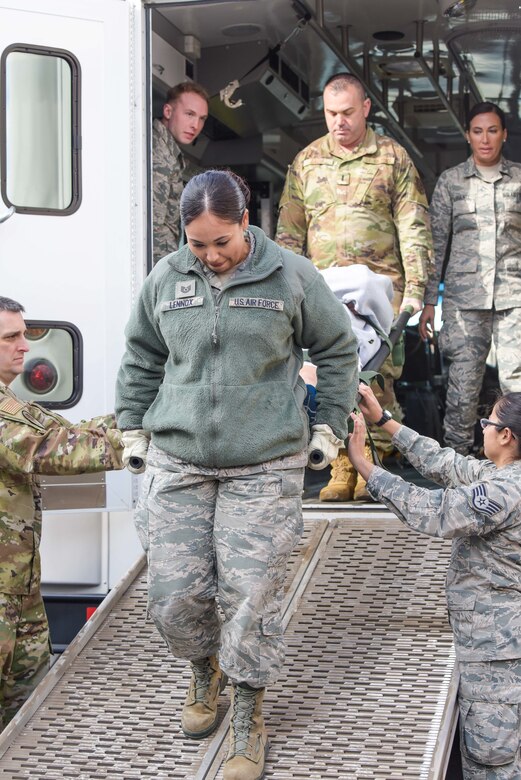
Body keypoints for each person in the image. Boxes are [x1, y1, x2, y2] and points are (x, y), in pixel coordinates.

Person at [115, 170, 358, 780]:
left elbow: (337, 348)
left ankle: (249, 712)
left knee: (250, 597)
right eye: (198, 244)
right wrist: (132, 426)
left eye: (221, 242)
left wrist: (329, 424)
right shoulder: (166, 280)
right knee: (174, 599)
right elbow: (142, 355)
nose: (211, 256)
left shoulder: (292, 276)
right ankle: (204, 669)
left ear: (245, 221)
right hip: (180, 458)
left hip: (265, 462)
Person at [348, 381, 521, 780]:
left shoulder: (506, 491)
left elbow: (434, 511)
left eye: (487, 423)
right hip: (501, 648)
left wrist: (367, 468)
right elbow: (448, 465)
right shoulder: (504, 478)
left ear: (507, 435)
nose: (483, 429)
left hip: (497, 658)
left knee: (490, 765)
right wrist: (385, 421)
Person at [276, 72, 433, 502]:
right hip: (324, 291)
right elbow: (288, 235)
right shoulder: (306, 162)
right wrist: (282, 290)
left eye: (347, 112)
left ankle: (372, 467)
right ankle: (344, 467)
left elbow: (414, 226)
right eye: (330, 114)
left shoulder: (392, 158)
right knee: (331, 375)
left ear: (366, 108)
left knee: (375, 378)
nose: (338, 122)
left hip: (381, 291)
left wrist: (418, 288)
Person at [0, 296, 123, 729]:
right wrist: (142, 440)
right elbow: (50, 450)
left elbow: (64, 431)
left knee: (27, 713)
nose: (24, 346)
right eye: (11, 337)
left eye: (24, 335)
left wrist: (135, 417)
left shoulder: (9, 401)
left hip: (19, 587)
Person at [420, 101, 521, 455]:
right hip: (464, 301)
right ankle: (456, 464)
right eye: (477, 131)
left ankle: (516, 468)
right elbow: (435, 245)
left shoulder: (519, 179)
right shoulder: (451, 181)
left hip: (514, 297)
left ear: (504, 135)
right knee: (462, 388)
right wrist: (429, 301)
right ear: (467, 135)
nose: (485, 139)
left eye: (492, 130)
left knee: (517, 387)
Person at [152, 81, 209, 264]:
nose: (195, 125)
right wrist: (172, 272)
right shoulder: (157, 150)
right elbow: (154, 225)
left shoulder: (169, 151)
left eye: (202, 118)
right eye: (189, 114)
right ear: (168, 112)